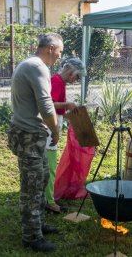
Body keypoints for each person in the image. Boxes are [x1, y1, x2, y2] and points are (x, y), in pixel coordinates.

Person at [7, 33, 63, 253]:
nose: (59, 57)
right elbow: (46, 106)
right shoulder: (38, 67)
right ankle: (31, 237)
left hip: (29, 134)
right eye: (59, 52)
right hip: (29, 135)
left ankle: (38, 224)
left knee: (41, 179)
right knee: (31, 187)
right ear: (50, 48)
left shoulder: (29, 64)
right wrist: (55, 130)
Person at [45, 57, 84, 213]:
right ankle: (48, 201)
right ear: (70, 71)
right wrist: (68, 105)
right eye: (77, 76)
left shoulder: (61, 82)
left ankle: (47, 197)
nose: (76, 80)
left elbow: (58, 110)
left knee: (50, 164)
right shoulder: (56, 81)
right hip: (48, 128)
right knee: (50, 166)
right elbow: (48, 105)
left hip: (54, 125)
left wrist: (72, 116)